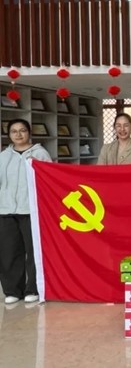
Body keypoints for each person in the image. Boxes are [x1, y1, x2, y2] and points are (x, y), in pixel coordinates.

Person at [0, 119, 52, 304]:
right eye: (14, 131)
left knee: (33, 251)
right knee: (9, 252)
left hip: (31, 210)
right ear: (9, 135)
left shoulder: (40, 153)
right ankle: (13, 291)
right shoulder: (3, 156)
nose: (18, 134)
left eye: (22, 130)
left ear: (29, 132)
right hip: (6, 211)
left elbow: (49, 180)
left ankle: (33, 288)